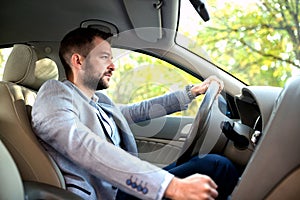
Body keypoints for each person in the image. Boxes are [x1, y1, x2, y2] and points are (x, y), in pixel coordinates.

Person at [31, 27, 239, 200]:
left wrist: (191, 92)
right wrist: (170, 186)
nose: (113, 66)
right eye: (104, 58)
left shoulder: (99, 101)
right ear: (78, 61)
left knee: (210, 163)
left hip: (120, 189)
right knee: (217, 167)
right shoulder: (55, 92)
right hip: (103, 196)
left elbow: (137, 111)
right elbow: (81, 142)